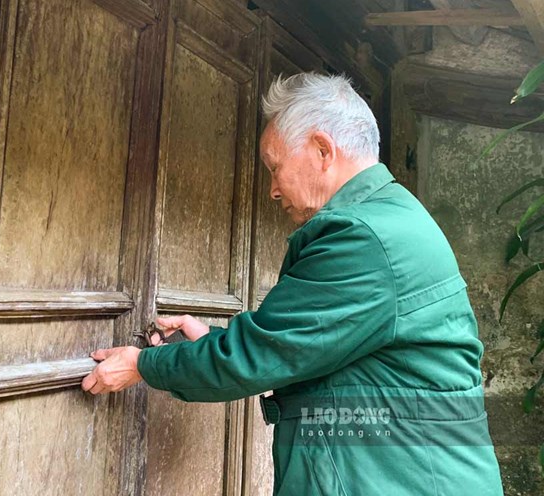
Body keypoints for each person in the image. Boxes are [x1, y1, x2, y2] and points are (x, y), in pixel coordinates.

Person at [81, 73, 503, 495]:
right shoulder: (388, 218)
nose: (272, 190)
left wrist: (143, 364)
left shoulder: (363, 238)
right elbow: (311, 346)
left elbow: (265, 354)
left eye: (274, 167)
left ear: (323, 150)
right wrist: (212, 340)